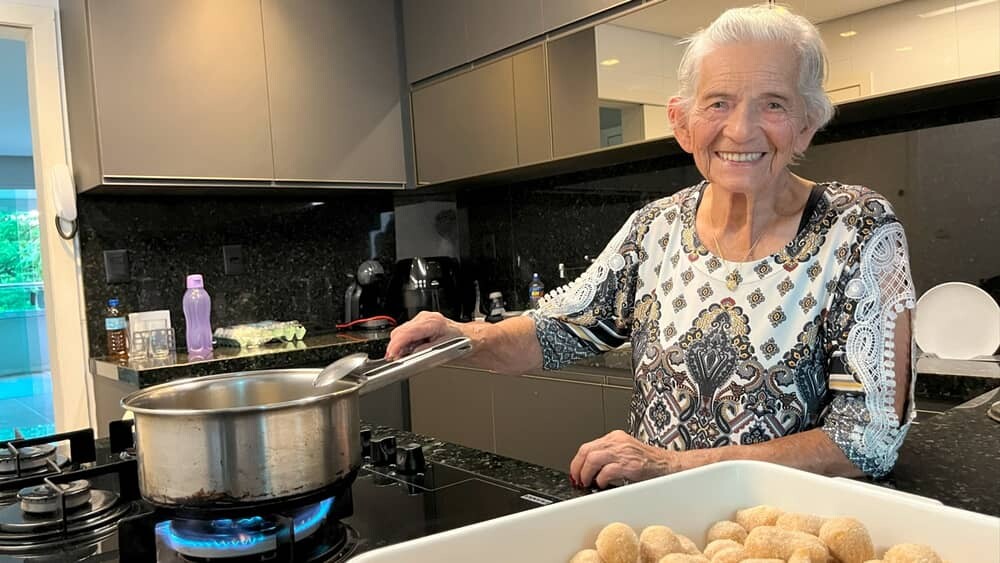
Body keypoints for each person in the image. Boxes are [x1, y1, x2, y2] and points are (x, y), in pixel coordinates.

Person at [385, 4, 915, 489]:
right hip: (658, 526)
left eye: (773, 104)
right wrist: (463, 336)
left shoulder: (856, 227)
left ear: (807, 126)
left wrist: (673, 466)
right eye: (718, 103)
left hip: (782, 534)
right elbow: (558, 329)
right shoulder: (656, 226)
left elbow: (867, 440)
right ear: (682, 125)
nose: (741, 128)